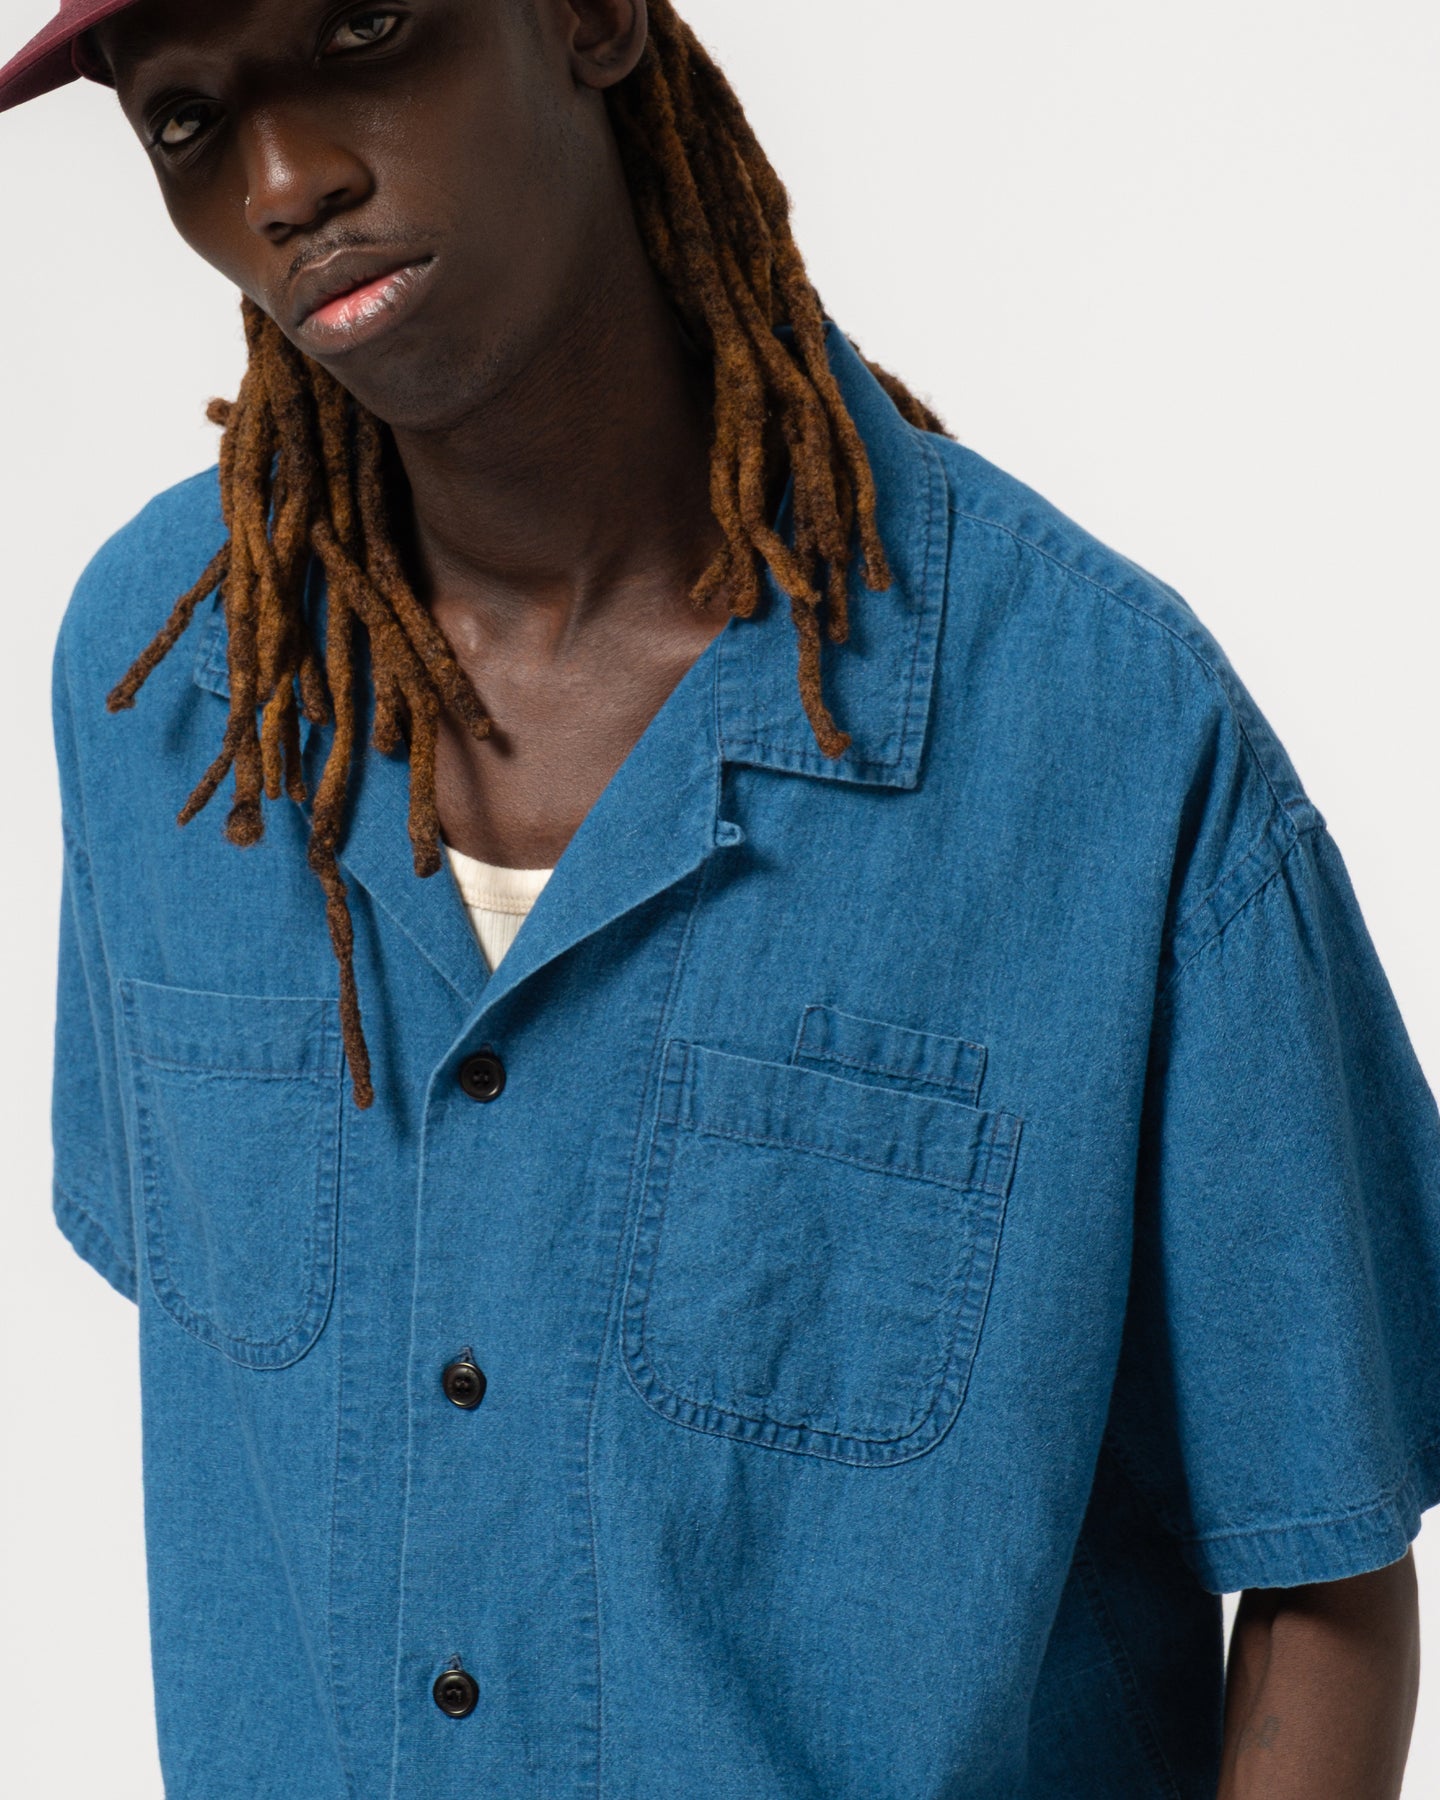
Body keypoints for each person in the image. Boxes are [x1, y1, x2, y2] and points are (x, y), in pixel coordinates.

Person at [5, 2, 1437, 1795]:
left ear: (592, 18)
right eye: (190, 121)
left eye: (367, 26)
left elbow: (1325, 1566)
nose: (285, 180)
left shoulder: (1105, 735)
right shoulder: (169, 697)